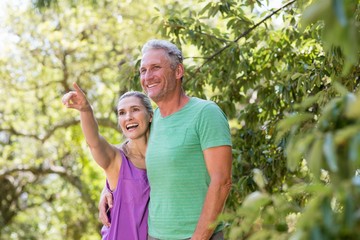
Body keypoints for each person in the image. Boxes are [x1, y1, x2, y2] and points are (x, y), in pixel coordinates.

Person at [100, 39, 233, 240]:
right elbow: (129, 155)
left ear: (178, 71)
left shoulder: (205, 113)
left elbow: (222, 181)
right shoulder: (155, 121)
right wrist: (107, 187)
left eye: (155, 68)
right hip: (154, 235)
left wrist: (199, 238)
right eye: (143, 70)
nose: (148, 76)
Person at [62, 82, 153, 240]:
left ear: (151, 115)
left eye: (135, 110)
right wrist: (85, 109)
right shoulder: (116, 159)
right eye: (122, 113)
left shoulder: (164, 154)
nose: (128, 117)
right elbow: (94, 142)